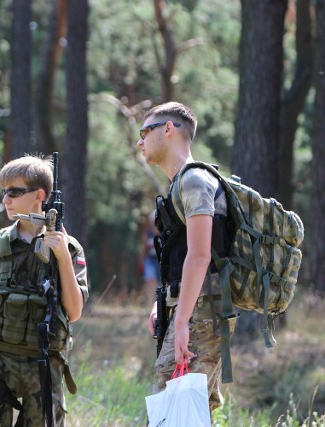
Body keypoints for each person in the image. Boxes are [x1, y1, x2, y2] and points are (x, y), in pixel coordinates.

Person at [0, 154, 89, 426]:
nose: (6, 200)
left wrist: (62, 256)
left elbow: (74, 311)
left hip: (42, 366)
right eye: (4, 192)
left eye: (14, 192)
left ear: (39, 195)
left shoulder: (70, 248)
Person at [138, 102, 235, 412]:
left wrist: (181, 321)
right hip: (194, 309)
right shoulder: (180, 184)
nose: (140, 141)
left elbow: (200, 255)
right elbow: (181, 259)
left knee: (174, 407)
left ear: (169, 129)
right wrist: (164, 304)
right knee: (182, 410)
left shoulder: (194, 181)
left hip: (201, 314)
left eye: (145, 131)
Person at [140, 210, 160, 303]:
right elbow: (144, 250)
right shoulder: (147, 234)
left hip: (161, 261)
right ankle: (151, 302)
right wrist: (141, 263)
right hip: (150, 260)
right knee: (150, 280)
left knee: (161, 283)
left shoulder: (164, 232)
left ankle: (159, 302)